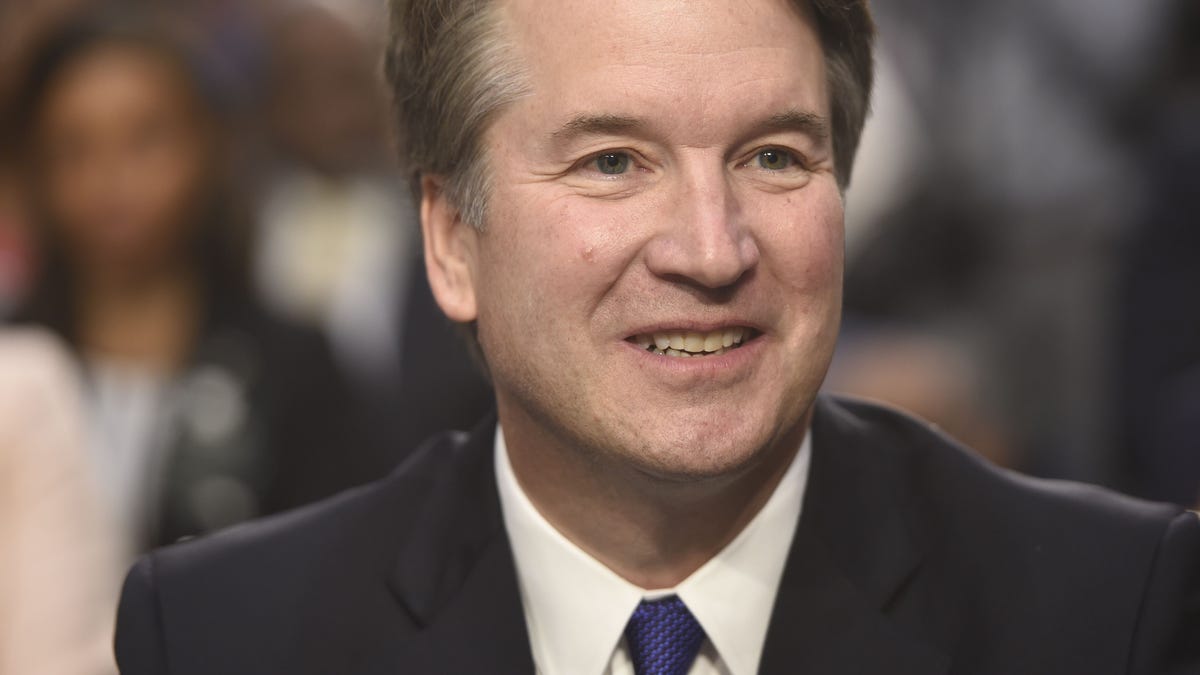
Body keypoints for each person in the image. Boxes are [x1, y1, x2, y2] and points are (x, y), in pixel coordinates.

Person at [114, 0, 1200, 673]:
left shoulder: (1108, 613)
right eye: (612, 163)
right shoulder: (224, 638)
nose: (711, 248)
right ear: (451, 241)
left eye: (774, 156)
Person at [9, 10, 383, 556]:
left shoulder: (292, 366)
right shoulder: (11, 361)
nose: (112, 179)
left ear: (208, 145)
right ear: (34, 169)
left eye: (145, 139)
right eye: (73, 148)